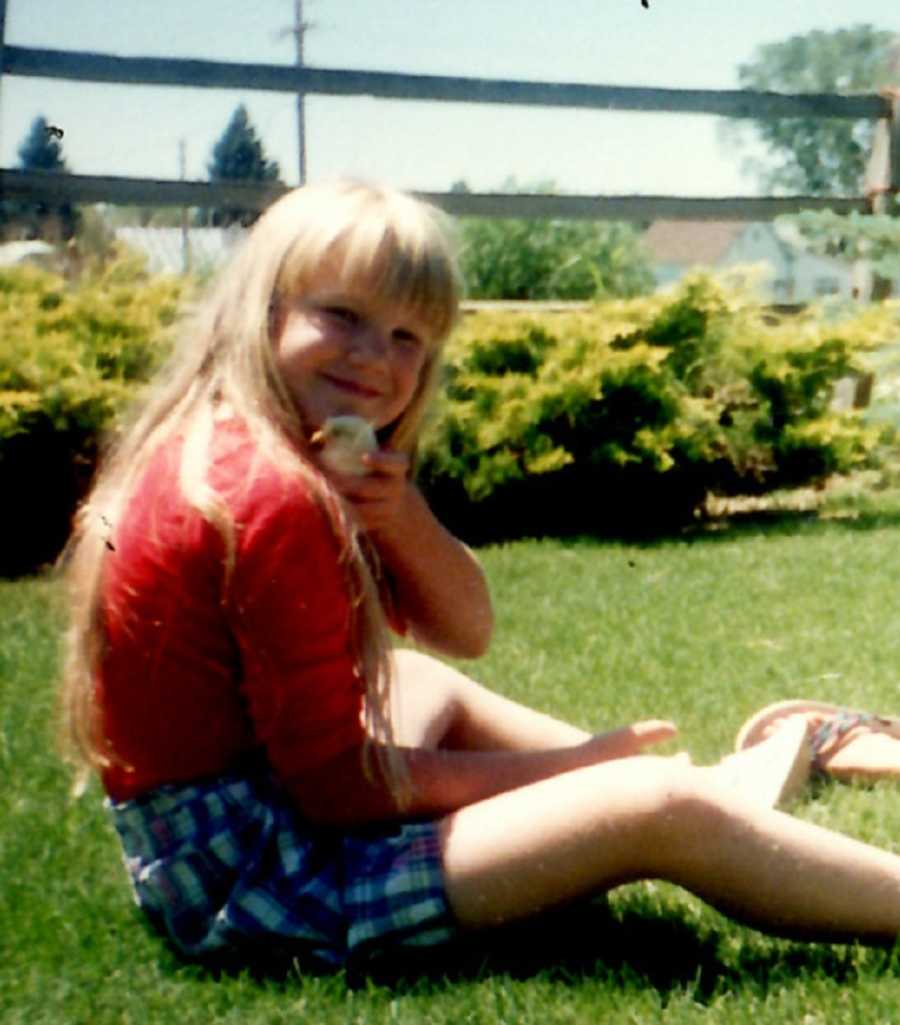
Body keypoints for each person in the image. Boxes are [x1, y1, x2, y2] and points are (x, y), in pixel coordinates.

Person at [61, 180, 900, 974]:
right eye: (343, 314)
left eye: (407, 337)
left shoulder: (237, 445)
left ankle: (728, 793)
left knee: (420, 678)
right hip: (264, 885)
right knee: (653, 809)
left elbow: (466, 632)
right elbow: (342, 788)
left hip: (200, 849)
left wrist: (401, 517)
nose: (373, 358)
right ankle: (704, 801)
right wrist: (581, 772)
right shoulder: (272, 496)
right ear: (265, 311)